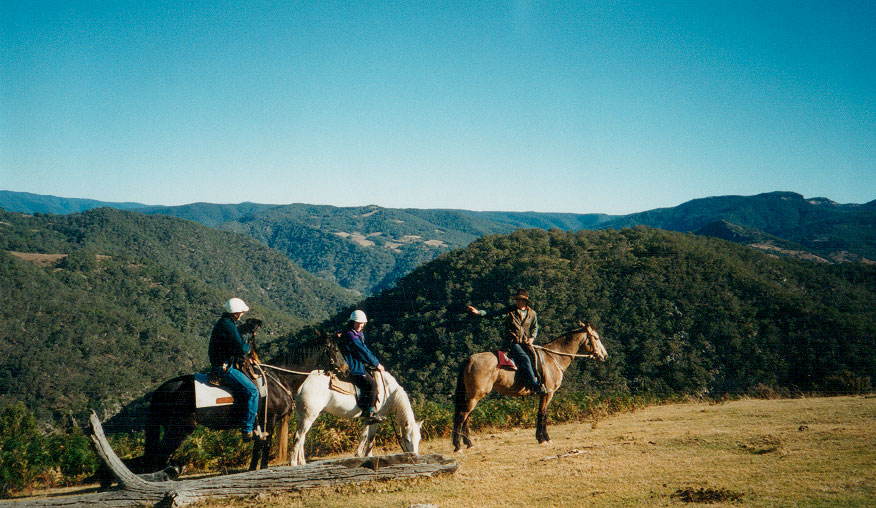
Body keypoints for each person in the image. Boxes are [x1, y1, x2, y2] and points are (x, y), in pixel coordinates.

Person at [467, 288, 547, 395]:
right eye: (517, 300)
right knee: (524, 358)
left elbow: (535, 327)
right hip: (512, 342)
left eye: (520, 300)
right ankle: (533, 384)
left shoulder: (532, 314)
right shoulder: (510, 311)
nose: (518, 302)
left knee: (536, 358)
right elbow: (494, 315)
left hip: (525, 343)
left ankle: (539, 380)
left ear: (525, 302)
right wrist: (479, 312)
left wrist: (532, 338)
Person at [208, 297, 261, 441]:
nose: (242, 315)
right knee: (253, 391)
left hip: (220, 363)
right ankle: (248, 429)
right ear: (235, 313)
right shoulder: (228, 326)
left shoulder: (224, 323)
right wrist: (248, 345)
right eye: (241, 313)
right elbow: (240, 347)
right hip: (224, 368)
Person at [337, 310, 386, 424]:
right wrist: (376, 363)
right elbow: (362, 350)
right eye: (358, 323)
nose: (360, 325)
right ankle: (369, 412)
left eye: (362, 323)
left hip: (355, 362)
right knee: (372, 385)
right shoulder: (351, 334)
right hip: (353, 365)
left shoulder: (353, 332)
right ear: (353, 322)